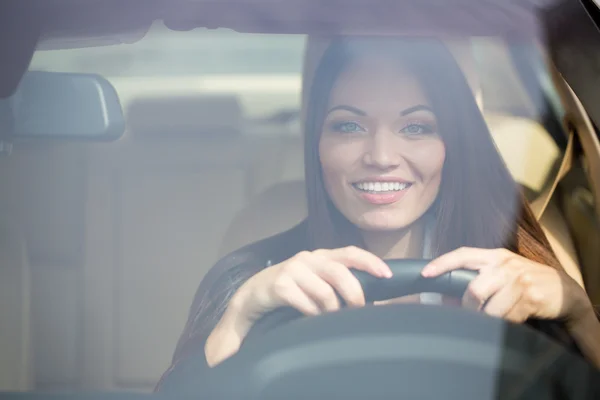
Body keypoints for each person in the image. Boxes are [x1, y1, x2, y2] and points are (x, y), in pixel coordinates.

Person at [155, 37, 600, 388]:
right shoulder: (252, 277)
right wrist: (240, 315)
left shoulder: (516, 277)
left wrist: (578, 309)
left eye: (416, 127)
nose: (382, 155)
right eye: (349, 126)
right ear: (318, 145)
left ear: (452, 145)